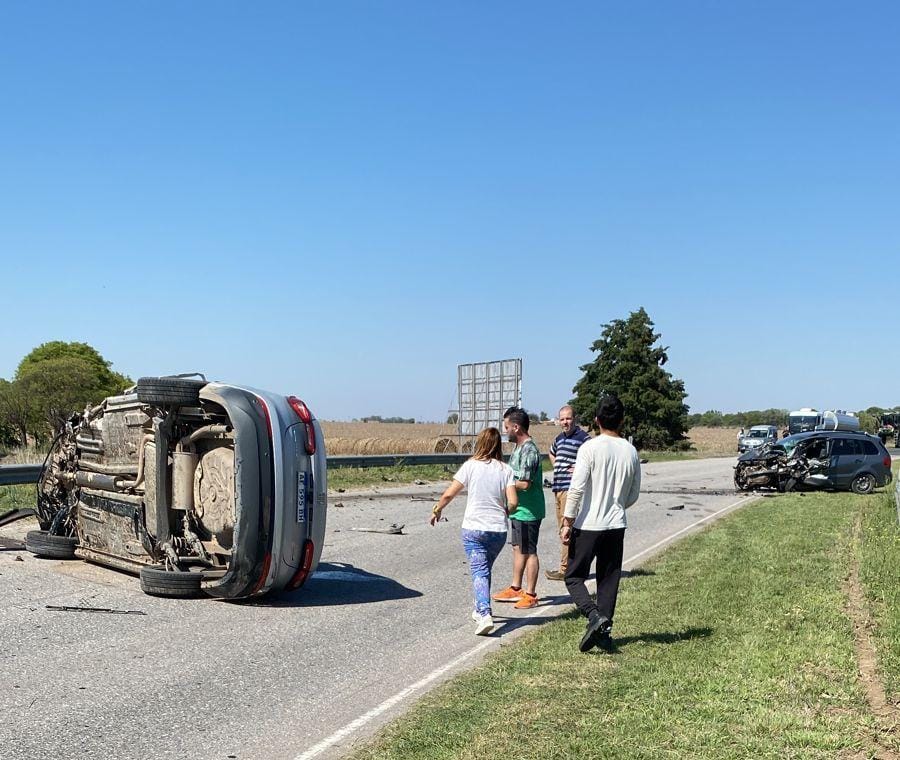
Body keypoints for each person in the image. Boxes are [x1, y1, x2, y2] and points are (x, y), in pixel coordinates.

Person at [561, 394, 641, 652]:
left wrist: (567, 521)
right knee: (608, 580)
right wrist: (616, 504)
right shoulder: (631, 451)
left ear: (596, 420)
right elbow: (633, 494)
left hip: (588, 523)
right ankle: (605, 633)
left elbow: (576, 489)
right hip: (616, 524)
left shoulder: (589, 448)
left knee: (573, 576)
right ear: (622, 420)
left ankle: (594, 616)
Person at [430, 427, 517, 636]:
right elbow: (513, 502)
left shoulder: (470, 466)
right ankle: (479, 608)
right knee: (484, 569)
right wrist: (504, 511)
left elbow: (449, 494)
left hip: (473, 528)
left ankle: (485, 614)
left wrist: (437, 509)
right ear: (498, 445)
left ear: (480, 443)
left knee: (479, 571)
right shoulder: (506, 470)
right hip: (497, 529)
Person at [492, 407, 545, 610]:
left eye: (507, 427)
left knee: (529, 551)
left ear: (516, 427)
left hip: (528, 510)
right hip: (518, 509)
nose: (505, 431)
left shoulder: (529, 450)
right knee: (517, 548)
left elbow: (525, 483)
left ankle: (530, 594)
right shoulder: (519, 448)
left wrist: (505, 487)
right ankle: (516, 588)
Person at [545, 405, 591, 581]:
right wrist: (558, 464)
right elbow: (551, 452)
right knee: (562, 529)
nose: (565, 422)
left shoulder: (584, 438)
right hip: (558, 488)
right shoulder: (559, 438)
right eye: (562, 419)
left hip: (570, 490)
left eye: (568, 418)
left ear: (575, 419)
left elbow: (593, 458)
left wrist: (580, 469)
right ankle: (572, 566)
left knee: (567, 528)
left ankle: (566, 569)